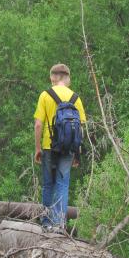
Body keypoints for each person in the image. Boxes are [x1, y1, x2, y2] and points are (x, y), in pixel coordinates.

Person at [34, 63, 86, 232]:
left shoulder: (45, 95)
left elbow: (38, 125)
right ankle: (59, 224)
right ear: (67, 78)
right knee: (62, 185)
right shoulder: (75, 98)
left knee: (48, 184)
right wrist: (77, 154)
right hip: (68, 148)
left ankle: (46, 223)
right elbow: (80, 129)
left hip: (49, 146)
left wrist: (38, 148)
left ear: (52, 77)